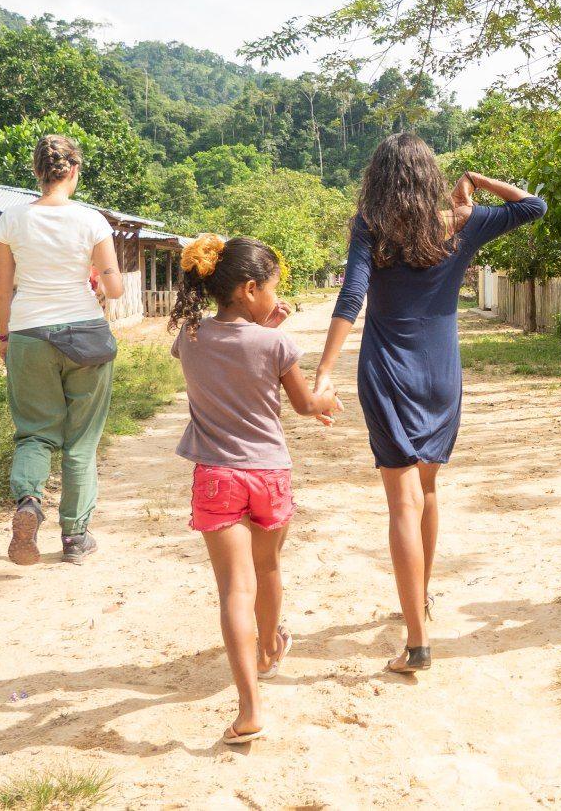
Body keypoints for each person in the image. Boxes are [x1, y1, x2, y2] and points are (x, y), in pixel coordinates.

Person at [315, 135, 546, 674]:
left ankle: (417, 642)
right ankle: (421, 599)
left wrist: (324, 371)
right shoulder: (463, 223)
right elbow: (533, 206)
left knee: (401, 501)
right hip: (441, 372)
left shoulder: (370, 228)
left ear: (378, 180)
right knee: (428, 487)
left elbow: (352, 297)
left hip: (386, 369)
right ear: (430, 177)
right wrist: (478, 185)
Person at [170, 235, 341, 744]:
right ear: (248, 289)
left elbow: (233, 355)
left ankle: (248, 709)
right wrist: (328, 398)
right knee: (268, 570)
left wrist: (261, 328)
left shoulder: (191, 336)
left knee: (234, 591)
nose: (275, 296)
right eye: (271, 288)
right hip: (269, 476)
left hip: (217, 478)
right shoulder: (277, 344)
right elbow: (308, 404)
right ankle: (268, 648)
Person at [0, 134, 126, 566]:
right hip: (85, 333)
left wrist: (4, 336)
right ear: (74, 171)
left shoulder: (11, 220)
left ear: (37, 172)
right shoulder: (92, 221)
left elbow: (0, 290)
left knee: (34, 433)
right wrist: (92, 275)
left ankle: (29, 502)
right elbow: (115, 287)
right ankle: (75, 539)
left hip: (29, 333)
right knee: (81, 442)